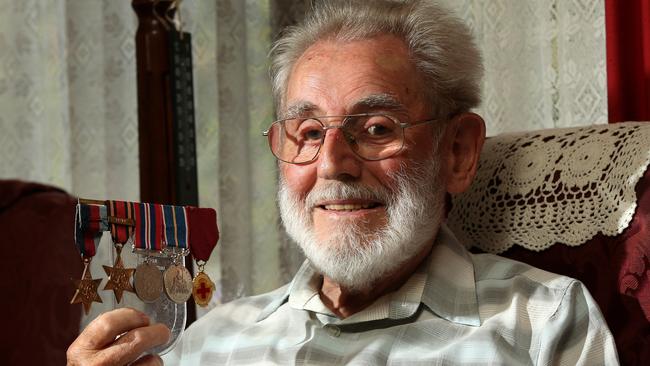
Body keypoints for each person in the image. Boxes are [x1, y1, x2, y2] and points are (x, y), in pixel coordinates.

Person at [67, 0, 619, 365]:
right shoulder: (209, 343)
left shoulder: (542, 322)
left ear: (457, 151)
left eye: (377, 128)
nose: (332, 162)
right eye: (307, 131)